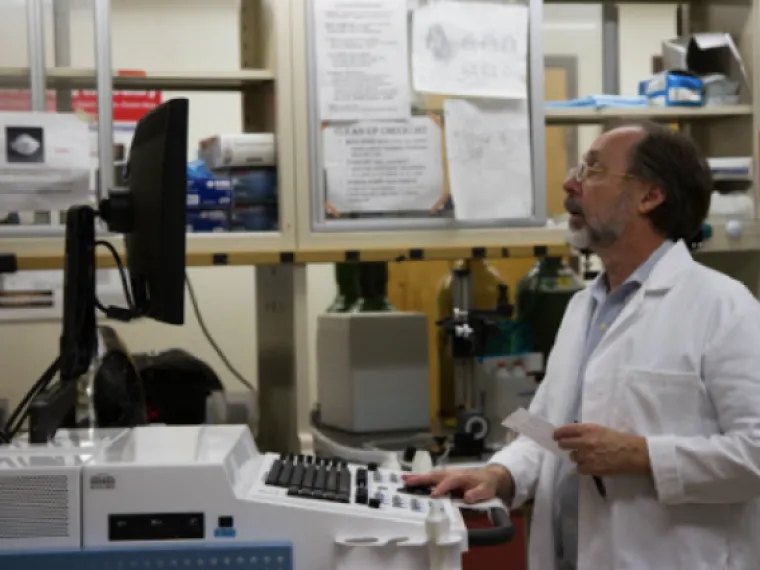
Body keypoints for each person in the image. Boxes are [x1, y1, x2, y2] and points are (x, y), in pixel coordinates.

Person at [404, 121, 760, 570]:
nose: (570, 183)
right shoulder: (581, 307)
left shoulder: (724, 307)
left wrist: (643, 455)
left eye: (592, 170)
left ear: (650, 196)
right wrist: (500, 473)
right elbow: (543, 430)